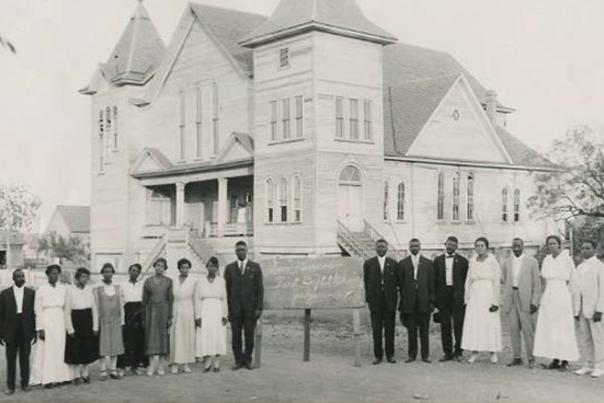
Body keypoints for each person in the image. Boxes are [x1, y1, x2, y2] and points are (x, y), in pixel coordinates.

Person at [533, 235, 579, 370]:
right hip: (549, 295)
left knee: (563, 328)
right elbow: (543, 280)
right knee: (551, 327)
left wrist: (569, 298)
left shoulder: (567, 259)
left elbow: (573, 281)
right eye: (549, 244)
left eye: (554, 243)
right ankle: (555, 358)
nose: (551, 246)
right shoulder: (547, 260)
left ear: (559, 245)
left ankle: (565, 359)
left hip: (562, 294)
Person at [30, 264, 73, 388]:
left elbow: (66, 308)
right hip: (47, 319)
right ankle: (47, 379)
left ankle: (61, 376)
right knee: (47, 349)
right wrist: (40, 328)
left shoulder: (63, 289)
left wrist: (67, 325)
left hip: (59, 319)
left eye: (56, 273)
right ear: (47, 274)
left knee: (60, 348)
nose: (54, 275)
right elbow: (37, 310)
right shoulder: (41, 289)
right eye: (52, 273)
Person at [501, 238, 541, 368]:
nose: (516, 248)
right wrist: (505, 298)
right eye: (514, 246)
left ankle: (531, 358)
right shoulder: (507, 262)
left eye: (518, 245)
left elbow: (537, 284)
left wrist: (535, 301)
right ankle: (517, 357)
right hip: (512, 296)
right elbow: (505, 281)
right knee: (513, 329)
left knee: (528, 329)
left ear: (523, 246)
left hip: (526, 298)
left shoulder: (532, 262)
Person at [461, 237, 502, 364]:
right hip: (475, 295)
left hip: (488, 293)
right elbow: (468, 280)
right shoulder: (472, 261)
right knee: (475, 323)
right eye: (477, 245)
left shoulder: (492, 261)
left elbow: (496, 281)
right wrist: (466, 297)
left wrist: (495, 301)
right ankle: (474, 352)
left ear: (487, 247)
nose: (479, 248)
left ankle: (493, 352)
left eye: (482, 245)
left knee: (489, 322)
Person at [224, 240, 264, 370]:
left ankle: (247, 360)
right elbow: (227, 290)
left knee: (249, 336)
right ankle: (238, 360)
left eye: (243, 249)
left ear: (247, 251)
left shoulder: (255, 267)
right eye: (238, 249)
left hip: (250, 309)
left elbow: (260, 289)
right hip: (235, 310)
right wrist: (228, 310)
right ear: (235, 252)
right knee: (235, 337)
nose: (240, 251)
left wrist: (258, 308)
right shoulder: (229, 268)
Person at [398, 238, 434, 363]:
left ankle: (425, 355)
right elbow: (401, 284)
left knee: (424, 330)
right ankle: (412, 355)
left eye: (416, 245)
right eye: (412, 246)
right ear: (409, 247)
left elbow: (431, 285)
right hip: (409, 303)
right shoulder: (403, 263)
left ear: (420, 247)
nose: (414, 248)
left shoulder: (428, 263)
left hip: (424, 302)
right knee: (411, 330)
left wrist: (431, 302)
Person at [0, 269, 36, 395]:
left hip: (25, 329)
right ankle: (10, 386)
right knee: (11, 359)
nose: (21, 278)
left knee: (25, 358)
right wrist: (1, 334)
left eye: (22, 276)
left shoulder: (31, 293)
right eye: (18, 276)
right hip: (11, 330)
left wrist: (34, 333)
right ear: (13, 278)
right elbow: (1, 315)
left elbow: (33, 314)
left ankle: (25, 384)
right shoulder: (5, 294)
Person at [363, 239, 399, 365]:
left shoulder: (393, 263)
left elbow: (397, 284)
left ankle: (390, 355)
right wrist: (369, 299)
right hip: (375, 302)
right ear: (375, 248)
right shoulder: (369, 263)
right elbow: (366, 283)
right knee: (376, 329)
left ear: (387, 248)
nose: (381, 249)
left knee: (390, 329)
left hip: (390, 301)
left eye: (383, 247)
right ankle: (378, 355)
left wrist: (395, 300)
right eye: (378, 247)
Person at [433, 236, 469, 362]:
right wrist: (435, 300)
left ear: (457, 246)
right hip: (443, 297)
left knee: (459, 325)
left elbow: (467, 281)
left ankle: (458, 351)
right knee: (445, 325)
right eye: (449, 244)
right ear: (445, 244)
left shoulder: (463, 261)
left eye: (453, 245)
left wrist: (464, 297)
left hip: (457, 297)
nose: (450, 247)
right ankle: (447, 352)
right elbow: (434, 281)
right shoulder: (437, 261)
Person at [572, 240, 604, 378]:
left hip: (595, 309)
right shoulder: (579, 267)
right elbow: (576, 289)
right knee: (585, 338)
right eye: (583, 248)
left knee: (598, 338)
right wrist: (576, 309)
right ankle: (587, 364)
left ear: (594, 249)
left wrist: (600, 309)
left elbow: (603, 290)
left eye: (588, 248)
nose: (584, 250)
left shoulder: (600, 267)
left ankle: (600, 365)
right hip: (582, 307)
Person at [64, 267, 99, 384]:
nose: (85, 279)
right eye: (83, 277)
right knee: (75, 348)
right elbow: (67, 311)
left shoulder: (90, 290)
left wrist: (95, 326)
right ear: (77, 278)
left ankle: (85, 373)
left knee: (87, 347)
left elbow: (94, 309)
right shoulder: (70, 290)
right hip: (76, 320)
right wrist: (70, 329)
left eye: (87, 277)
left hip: (87, 320)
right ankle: (76, 375)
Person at [195, 256, 228, 372]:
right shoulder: (200, 281)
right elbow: (197, 298)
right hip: (205, 310)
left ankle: (217, 362)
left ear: (217, 268)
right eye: (209, 266)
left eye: (214, 266)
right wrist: (198, 316)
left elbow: (224, 298)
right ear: (206, 267)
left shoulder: (221, 281)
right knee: (205, 335)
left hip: (217, 310)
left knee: (218, 335)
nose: (211, 268)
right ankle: (208, 362)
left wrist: (225, 315)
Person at [143, 258, 173, 376]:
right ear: (154, 266)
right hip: (151, 312)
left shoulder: (169, 281)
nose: (159, 268)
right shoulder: (148, 281)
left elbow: (170, 300)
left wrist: (170, 316)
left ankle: (161, 366)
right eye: (157, 265)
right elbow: (144, 300)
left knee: (162, 338)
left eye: (162, 266)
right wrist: (145, 316)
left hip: (164, 311)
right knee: (151, 338)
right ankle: (151, 365)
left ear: (165, 268)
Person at [96, 263, 125, 381]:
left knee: (116, 344)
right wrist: (96, 322)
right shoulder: (97, 287)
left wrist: (122, 320)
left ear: (113, 273)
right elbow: (96, 306)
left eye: (110, 271)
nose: (108, 273)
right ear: (102, 273)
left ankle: (113, 369)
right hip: (103, 319)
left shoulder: (118, 287)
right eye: (105, 271)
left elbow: (121, 304)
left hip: (116, 319)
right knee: (103, 345)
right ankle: (103, 370)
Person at [117, 263, 147, 376]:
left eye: (137, 271)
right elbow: (121, 301)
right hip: (128, 311)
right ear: (129, 271)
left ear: (139, 273)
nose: (135, 273)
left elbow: (144, 300)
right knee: (126, 340)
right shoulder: (122, 285)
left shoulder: (141, 285)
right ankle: (123, 367)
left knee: (138, 340)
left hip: (139, 311)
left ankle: (135, 365)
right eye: (133, 270)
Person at [170, 258, 197, 374]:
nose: (185, 270)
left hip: (188, 310)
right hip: (176, 309)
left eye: (187, 268)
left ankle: (186, 363)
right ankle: (175, 363)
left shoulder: (193, 281)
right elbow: (171, 297)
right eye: (183, 267)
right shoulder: (173, 280)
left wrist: (197, 315)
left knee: (187, 336)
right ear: (179, 268)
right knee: (175, 335)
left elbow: (195, 299)